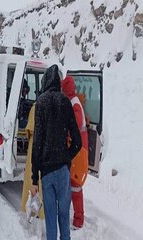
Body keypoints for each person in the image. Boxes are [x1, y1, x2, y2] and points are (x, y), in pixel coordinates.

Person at [31, 65, 81, 240]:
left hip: (46, 173)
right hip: (62, 171)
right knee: (64, 217)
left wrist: (34, 178)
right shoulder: (65, 102)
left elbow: (37, 142)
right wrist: (66, 158)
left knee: (51, 220)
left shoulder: (41, 103)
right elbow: (78, 141)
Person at [61, 75, 89, 229]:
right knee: (71, 183)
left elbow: (75, 123)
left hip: (79, 150)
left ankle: (78, 220)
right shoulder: (72, 100)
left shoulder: (74, 102)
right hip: (77, 148)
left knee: (75, 185)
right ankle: (75, 216)